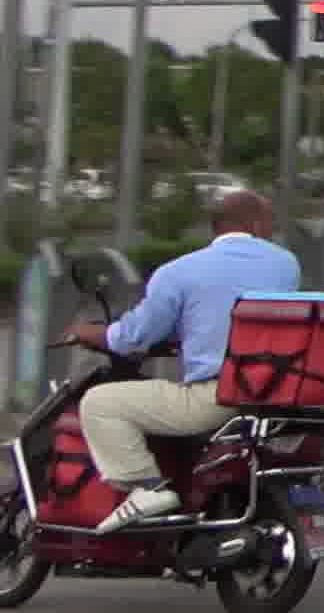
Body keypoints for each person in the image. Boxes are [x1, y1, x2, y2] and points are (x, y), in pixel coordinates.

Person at [64, 187, 303, 531]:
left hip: (217, 397)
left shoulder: (178, 272)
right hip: (271, 390)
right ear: (253, 224)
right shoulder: (286, 265)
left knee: (100, 402)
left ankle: (147, 490)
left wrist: (90, 333)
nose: (272, 231)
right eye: (269, 223)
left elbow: (133, 337)